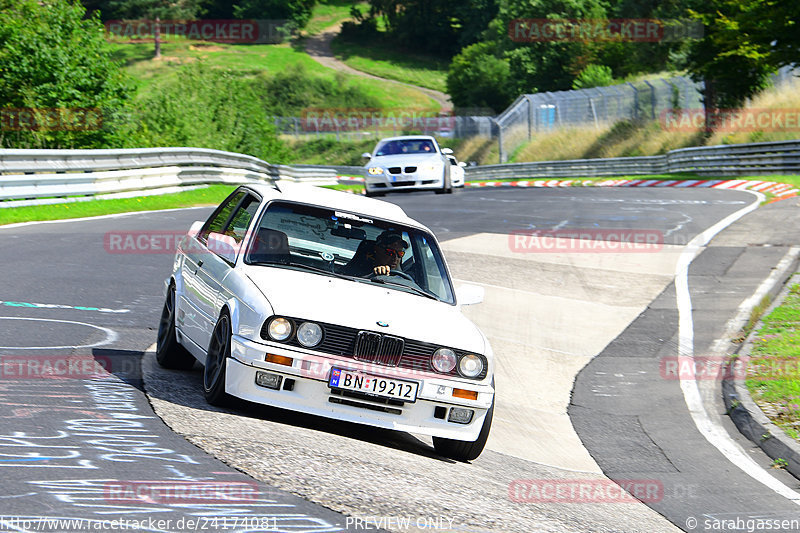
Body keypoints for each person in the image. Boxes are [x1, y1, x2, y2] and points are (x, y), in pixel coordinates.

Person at [339, 230, 408, 277]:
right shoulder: (357, 270)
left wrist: (398, 272)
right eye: (390, 252)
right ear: (377, 249)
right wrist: (377, 273)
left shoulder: (401, 278)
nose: (395, 258)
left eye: (400, 254)